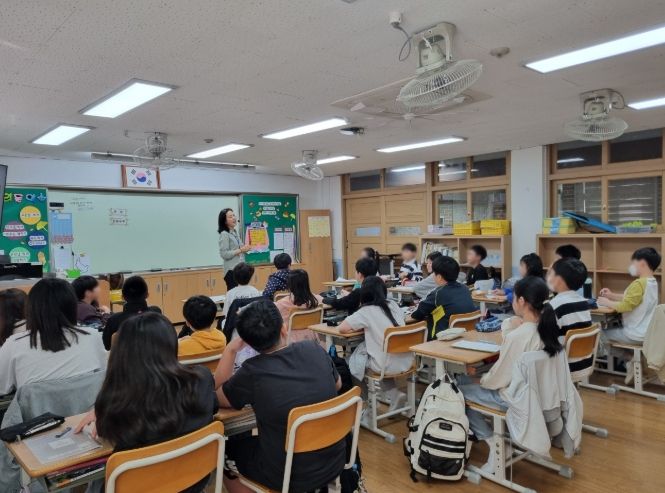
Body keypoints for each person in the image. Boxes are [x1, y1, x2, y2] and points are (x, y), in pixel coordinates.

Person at [76, 313, 217, 493]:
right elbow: (212, 406)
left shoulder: (117, 401)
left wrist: (101, 410)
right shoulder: (202, 379)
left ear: (122, 352)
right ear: (171, 344)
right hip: (192, 482)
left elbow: (104, 433)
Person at [215, 300, 344, 493]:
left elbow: (218, 395)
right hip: (334, 460)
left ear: (248, 342)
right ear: (283, 328)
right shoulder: (314, 349)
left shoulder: (251, 372)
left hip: (287, 473)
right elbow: (337, 384)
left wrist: (230, 349)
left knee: (222, 452)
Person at [458, 276, 560, 473]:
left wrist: (480, 378)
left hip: (515, 398)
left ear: (521, 301)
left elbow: (498, 379)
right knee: (466, 379)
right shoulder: (548, 329)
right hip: (541, 395)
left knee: (457, 391)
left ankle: (495, 445)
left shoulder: (519, 336)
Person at [0, 278, 107, 395]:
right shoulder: (92, 336)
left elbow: (2, 388)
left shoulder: (14, 344)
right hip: (87, 406)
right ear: (72, 306)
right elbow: (102, 375)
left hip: (36, 407)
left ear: (31, 308)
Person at [339, 276, 410, 412]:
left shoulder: (366, 311)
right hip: (406, 361)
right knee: (375, 354)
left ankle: (367, 403)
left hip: (384, 364)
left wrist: (361, 327)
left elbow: (342, 328)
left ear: (364, 293)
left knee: (352, 362)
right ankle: (394, 394)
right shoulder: (393, 305)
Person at [598, 247, 661, 344]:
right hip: (647, 332)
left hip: (633, 333)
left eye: (634, 263)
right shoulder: (652, 282)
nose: (632, 266)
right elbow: (634, 299)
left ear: (642, 263)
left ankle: (623, 353)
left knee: (598, 332)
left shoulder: (639, 284)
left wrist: (607, 303)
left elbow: (626, 306)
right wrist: (611, 295)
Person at [411, 256, 477, 340]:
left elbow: (417, 315)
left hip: (441, 339)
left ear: (439, 277)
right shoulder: (465, 288)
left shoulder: (438, 294)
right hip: (465, 336)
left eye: (434, 274)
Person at [102, 276, 161, 350]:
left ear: (122, 297)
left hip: (126, 357)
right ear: (147, 295)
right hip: (154, 356)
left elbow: (107, 346)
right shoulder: (156, 312)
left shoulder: (114, 320)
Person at [547, 258, 592, 337]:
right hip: (582, 345)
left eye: (551, 274)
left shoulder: (554, 305)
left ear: (559, 280)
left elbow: (546, 336)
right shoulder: (584, 302)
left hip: (562, 345)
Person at [275, 269, 323, 343]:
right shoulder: (317, 300)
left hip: (292, 340)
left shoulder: (282, 304)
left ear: (290, 285)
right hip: (314, 337)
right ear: (306, 283)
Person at [219, 208, 252, 291]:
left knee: (242, 294)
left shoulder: (234, 232)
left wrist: (246, 248)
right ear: (225, 221)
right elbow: (224, 254)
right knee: (234, 295)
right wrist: (241, 250)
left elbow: (240, 247)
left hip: (240, 270)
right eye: (230, 217)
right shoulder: (224, 234)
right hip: (231, 271)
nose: (234, 218)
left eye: (234, 215)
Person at [222, 263, 261, 328]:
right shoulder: (255, 291)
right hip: (252, 327)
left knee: (223, 321)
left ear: (234, 277)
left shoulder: (230, 293)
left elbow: (227, 314)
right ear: (250, 277)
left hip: (236, 327)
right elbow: (259, 311)